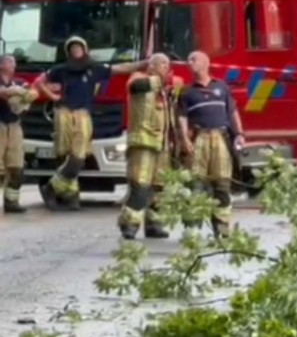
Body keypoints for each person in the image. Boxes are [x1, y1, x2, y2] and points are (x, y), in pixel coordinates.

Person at [34, 37, 148, 211]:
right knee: (64, 154)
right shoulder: (60, 70)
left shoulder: (94, 68)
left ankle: (51, 187)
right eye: (72, 49)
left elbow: (121, 69)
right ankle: (71, 196)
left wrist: (144, 63)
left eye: (79, 48)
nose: (76, 51)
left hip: (82, 115)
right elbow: (39, 81)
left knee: (78, 156)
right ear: (68, 52)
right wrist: (53, 96)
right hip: (63, 113)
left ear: (85, 50)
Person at [177, 51, 244, 237]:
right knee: (196, 184)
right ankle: (193, 230)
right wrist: (184, 139)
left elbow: (233, 112)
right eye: (188, 59)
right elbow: (182, 117)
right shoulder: (187, 92)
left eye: (193, 59)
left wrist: (239, 134)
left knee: (222, 184)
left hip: (221, 138)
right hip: (199, 139)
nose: (189, 63)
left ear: (206, 63)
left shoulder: (221, 88)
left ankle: (221, 228)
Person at [118, 53, 182, 240]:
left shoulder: (165, 89)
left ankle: (154, 224)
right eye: (161, 63)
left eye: (168, 64)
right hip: (143, 141)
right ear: (151, 67)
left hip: (162, 145)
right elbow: (137, 88)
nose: (166, 67)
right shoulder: (139, 79)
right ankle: (129, 224)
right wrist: (161, 81)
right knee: (140, 184)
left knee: (160, 187)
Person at [0, 54, 38, 213]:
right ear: (2, 65)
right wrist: (16, 91)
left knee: (17, 167)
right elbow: (3, 93)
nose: (14, 65)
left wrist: (28, 95)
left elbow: (33, 91)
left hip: (14, 126)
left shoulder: (19, 81)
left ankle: (11, 202)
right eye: (10, 62)